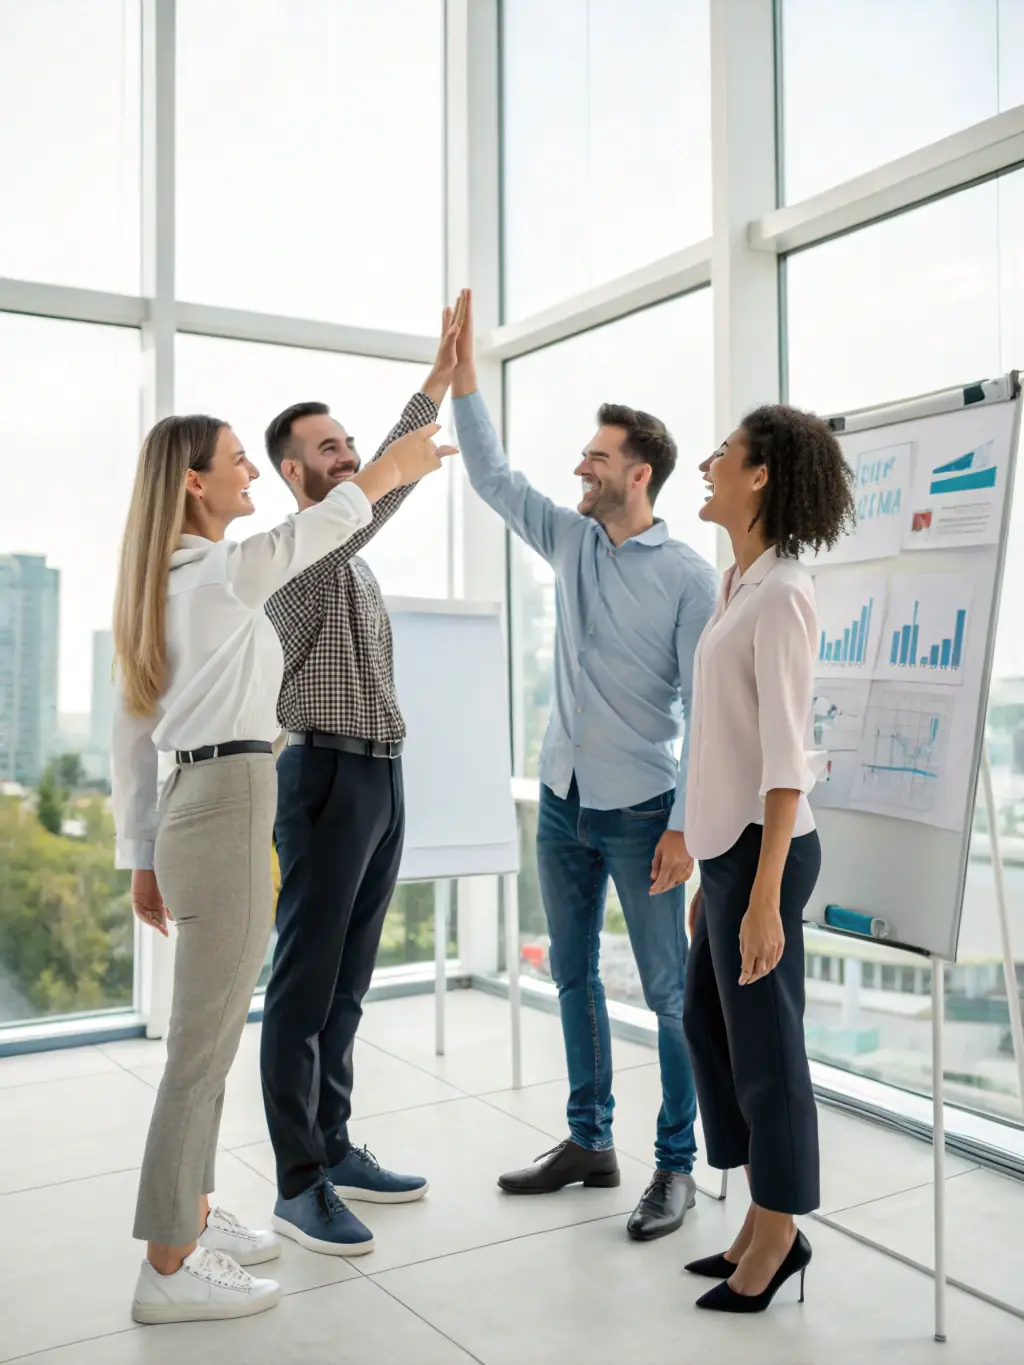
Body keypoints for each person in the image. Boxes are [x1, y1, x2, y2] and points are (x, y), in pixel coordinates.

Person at [112, 410, 452, 1325]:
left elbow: (133, 735)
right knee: (199, 1052)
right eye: (236, 465)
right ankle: (167, 1264)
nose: (249, 480)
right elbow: (333, 521)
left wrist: (140, 856)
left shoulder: (169, 582)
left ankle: (186, 1215)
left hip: (207, 801)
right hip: (228, 803)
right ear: (194, 483)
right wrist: (403, 459)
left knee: (210, 1040)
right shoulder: (223, 574)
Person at [450, 290, 718, 1241]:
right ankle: (588, 1142)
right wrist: (464, 383)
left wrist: (686, 823)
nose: (580, 467)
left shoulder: (689, 575)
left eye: (596, 458)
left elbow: (707, 710)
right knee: (570, 974)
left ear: (636, 474)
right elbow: (493, 476)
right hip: (562, 800)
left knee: (668, 993)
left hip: (646, 811)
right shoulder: (569, 540)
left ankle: (677, 1166)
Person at [259, 296, 466, 1256]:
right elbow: (379, 499)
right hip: (324, 783)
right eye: (329, 448)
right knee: (303, 989)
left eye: (351, 441)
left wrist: (431, 389)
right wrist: (427, 393)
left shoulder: (350, 561)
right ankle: (298, 1181)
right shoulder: (303, 555)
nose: (347, 455)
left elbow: (376, 499)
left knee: (347, 987)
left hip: (380, 782)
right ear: (293, 472)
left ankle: (336, 1147)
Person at [680, 405, 854, 1313]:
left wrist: (758, 896)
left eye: (724, 454)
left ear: (760, 477)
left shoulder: (783, 592)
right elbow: (721, 741)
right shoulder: (738, 583)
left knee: (767, 1051)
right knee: (708, 1026)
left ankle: (780, 1230)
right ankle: (763, 1209)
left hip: (767, 853)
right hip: (729, 852)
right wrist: (710, 868)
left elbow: (785, 759)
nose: (707, 463)